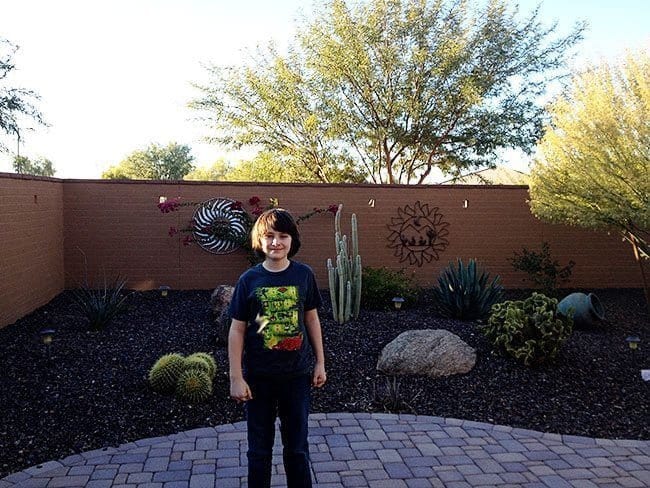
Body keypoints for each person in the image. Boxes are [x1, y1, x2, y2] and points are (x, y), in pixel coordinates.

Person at [228, 208, 326, 488]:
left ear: (292, 240)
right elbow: (237, 329)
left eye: (283, 236)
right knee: (259, 451)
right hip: (259, 377)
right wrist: (236, 377)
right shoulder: (249, 280)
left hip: (297, 377)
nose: (276, 242)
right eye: (269, 236)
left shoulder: (303, 275)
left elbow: (311, 319)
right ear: (259, 240)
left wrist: (320, 362)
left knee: (297, 449)